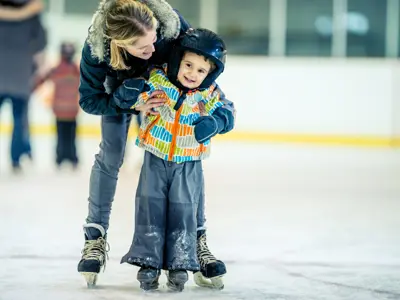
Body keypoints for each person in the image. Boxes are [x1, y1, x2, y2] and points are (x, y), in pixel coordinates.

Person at [77, 0, 235, 289]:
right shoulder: (96, 50)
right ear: (119, 43)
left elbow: (203, 72)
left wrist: (218, 115)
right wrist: (131, 102)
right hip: (120, 92)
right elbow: (88, 100)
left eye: (154, 42)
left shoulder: (171, 27)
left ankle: (196, 241)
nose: (152, 50)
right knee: (111, 155)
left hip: (164, 89)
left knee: (186, 159)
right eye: (143, 48)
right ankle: (95, 238)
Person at [117, 28, 229, 292]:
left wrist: (216, 122)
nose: (192, 74)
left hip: (188, 163)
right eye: (188, 65)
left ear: (209, 74)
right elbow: (135, 98)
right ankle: (148, 261)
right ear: (178, 61)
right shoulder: (159, 81)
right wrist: (129, 93)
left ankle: (180, 262)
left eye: (201, 71)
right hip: (155, 158)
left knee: (183, 211)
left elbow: (227, 112)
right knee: (150, 208)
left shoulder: (208, 94)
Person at [0, 0, 47, 172]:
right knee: (19, 119)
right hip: (20, 73)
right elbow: (41, 41)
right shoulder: (32, 12)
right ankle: (16, 159)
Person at [33, 42, 80, 168]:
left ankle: (61, 158)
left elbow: (39, 80)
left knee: (61, 135)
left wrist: (32, 87)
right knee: (71, 135)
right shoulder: (76, 69)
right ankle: (72, 158)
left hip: (60, 109)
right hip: (71, 110)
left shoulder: (56, 69)